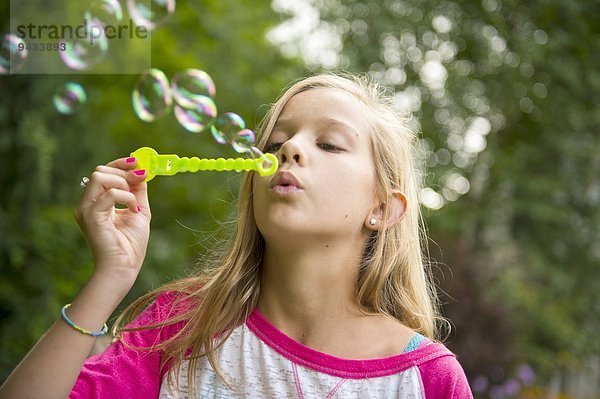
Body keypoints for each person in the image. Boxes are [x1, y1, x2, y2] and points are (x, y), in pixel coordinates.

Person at [0, 73, 473, 398]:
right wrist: (111, 276)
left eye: (328, 143)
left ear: (382, 209)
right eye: (274, 142)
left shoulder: (425, 379)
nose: (289, 148)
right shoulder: (182, 328)